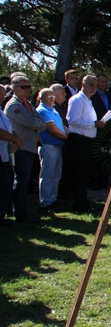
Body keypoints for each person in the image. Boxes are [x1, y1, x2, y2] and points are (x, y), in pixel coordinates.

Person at [5, 74, 45, 223]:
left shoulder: (27, 103)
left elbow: (40, 120)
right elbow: (31, 122)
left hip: (29, 146)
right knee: (21, 180)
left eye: (29, 87)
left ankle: (22, 210)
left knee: (25, 181)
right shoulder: (14, 105)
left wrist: (40, 123)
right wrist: (40, 124)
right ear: (14, 88)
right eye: (24, 87)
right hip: (19, 147)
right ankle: (20, 213)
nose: (27, 90)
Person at [65, 74, 106, 214]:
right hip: (78, 140)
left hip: (86, 140)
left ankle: (82, 202)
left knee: (83, 173)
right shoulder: (77, 99)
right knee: (79, 173)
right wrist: (94, 123)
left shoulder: (88, 100)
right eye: (91, 85)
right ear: (83, 84)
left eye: (96, 85)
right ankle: (79, 204)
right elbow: (73, 120)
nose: (94, 88)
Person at [37, 87, 68, 211]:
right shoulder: (42, 110)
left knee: (56, 174)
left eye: (53, 97)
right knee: (48, 174)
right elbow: (51, 128)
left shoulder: (53, 110)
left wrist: (67, 134)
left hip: (58, 145)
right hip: (48, 145)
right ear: (42, 98)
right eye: (49, 97)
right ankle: (45, 201)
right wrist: (66, 138)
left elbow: (62, 126)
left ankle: (53, 198)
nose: (52, 99)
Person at [0, 104, 21, 224]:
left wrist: (16, 142)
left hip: (5, 156)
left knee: (4, 188)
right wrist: (15, 139)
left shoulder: (2, 113)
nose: (1, 97)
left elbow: (10, 130)